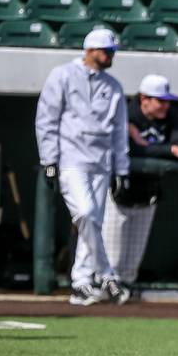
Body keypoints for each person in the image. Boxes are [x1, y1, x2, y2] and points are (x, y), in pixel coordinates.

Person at [35, 28, 130, 306]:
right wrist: (48, 159)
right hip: (71, 160)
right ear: (90, 50)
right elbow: (47, 119)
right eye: (106, 51)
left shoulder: (113, 86)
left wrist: (121, 169)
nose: (111, 56)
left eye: (113, 51)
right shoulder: (62, 75)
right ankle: (106, 275)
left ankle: (81, 283)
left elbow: (119, 132)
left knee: (93, 223)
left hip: (101, 163)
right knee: (86, 215)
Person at [102, 74, 178, 289]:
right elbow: (127, 149)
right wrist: (169, 149)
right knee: (113, 256)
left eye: (167, 101)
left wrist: (153, 147)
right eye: (160, 101)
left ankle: (124, 298)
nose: (166, 106)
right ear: (144, 98)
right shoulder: (126, 113)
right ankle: (104, 293)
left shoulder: (171, 115)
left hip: (148, 193)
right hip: (119, 192)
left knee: (132, 261)